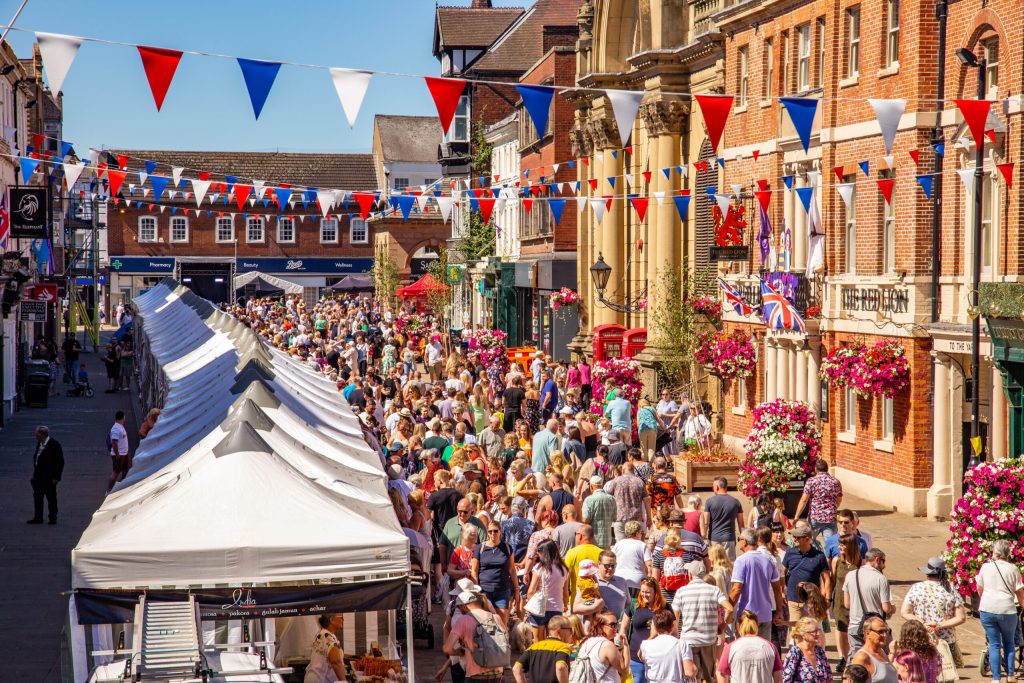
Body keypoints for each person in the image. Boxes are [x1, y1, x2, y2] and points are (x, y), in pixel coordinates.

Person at [672, 560, 732, 683]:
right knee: (708, 677)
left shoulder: (682, 591)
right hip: (708, 640)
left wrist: (675, 637)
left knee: (691, 676)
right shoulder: (714, 590)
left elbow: (675, 618)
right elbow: (730, 609)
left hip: (688, 641)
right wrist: (722, 626)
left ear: (690, 574)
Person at [900, 557, 965, 669]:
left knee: (921, 672)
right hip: (945, 640)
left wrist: (924, 624)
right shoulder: (951, 589)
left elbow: (905, 612)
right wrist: (938, 625)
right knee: (946, 674)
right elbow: (961, 618)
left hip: (921, 637)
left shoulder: (916, 588)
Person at [976, 539, 1024, 683]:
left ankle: (996, 678)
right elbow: (1019, 591)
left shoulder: (985, 567)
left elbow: (979, 588)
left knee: (994, 644)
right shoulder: (1013, 569)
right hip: (1007, 609)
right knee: (1009, 643)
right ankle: (1010, 675)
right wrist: (1022, 605)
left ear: (994, 552)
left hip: (988, 609)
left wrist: (985, 600)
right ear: (1008, 553)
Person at [730, 528, 785, 641]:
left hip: (747, 616)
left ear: (744, 541)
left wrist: (728, 608)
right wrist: (779, 611)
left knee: (746, 651)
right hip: (765, 614)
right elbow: (777, 588)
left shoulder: (741, 560)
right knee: (763, 649)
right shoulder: (769, 560)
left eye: (739, 539)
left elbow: (736, 589)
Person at [443, 591, 509, 681]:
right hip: (497, 674)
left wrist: (459, 652)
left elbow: (447, 648)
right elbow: (505, 640)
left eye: (459, 607)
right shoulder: (496, 617)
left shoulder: (464, 620)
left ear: (464, 606)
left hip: (476, 676)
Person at [844, 548, 895, 655]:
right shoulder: (880, 578)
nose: (884, 566)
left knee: (856, 661)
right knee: (882, 657)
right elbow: (886, 608)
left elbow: (847, 604)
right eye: (883, 561)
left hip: (855, 627)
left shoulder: (850, 575)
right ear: (877, 559)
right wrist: (892, 608)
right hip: (875, 629)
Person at [781, 526, 831, 629]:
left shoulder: (819, 556)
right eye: (794, 536)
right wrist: (782, 591)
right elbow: (782, 573)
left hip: (812, 601)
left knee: (812, 629)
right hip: (793, 599)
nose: (794, 539)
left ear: (807, 539)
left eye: (797, 537)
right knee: (796, 630)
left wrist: (827, 598)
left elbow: (826, 578)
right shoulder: (790, 553)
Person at [716, 610, 784, 683]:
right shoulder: (770, 647)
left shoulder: (730, 648)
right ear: (757, 625)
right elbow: (779, 679)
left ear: (738, 626)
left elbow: (722, 676)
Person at [471, 521, 518, 625]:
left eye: (495, 531)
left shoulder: (507, 548)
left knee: (502, 623)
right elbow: (474, 570)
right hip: (484, 591)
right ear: (487, 532)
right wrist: (476, 589)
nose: (493, 534)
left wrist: (516, 589)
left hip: (502, 590)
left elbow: (512, 570)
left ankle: (504, 641)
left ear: (500, 531)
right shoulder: (480, 548)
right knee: (486, 623)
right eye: (490, 531)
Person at [525, 539, 570, 641]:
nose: (537, 553)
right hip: (557, 607)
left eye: (539, 550)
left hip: (540, 608)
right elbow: (565, 592)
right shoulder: (564, 569)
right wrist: (565, 605)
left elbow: (531, 590)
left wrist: (530, 604)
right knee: (555, 639)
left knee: (538, 639)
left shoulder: (539, 568)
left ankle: (540, 656)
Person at [638, 609, 698, 682]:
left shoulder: (645, 645)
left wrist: (651, 636)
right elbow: (690, 672)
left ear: (654, 626)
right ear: (673, 626)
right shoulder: (681, 644)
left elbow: (640, 656)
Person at [832, 534, 862, 673]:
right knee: (842, 631)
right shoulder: (837, 561)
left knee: (855, 632)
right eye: (839, 544)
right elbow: (833, 581)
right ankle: (844, 658)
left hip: (855, 602)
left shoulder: (860, 564)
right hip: (839, 602)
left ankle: (855, 660)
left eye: (843, 545)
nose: (840, 547)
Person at [793, 460, 843, 543]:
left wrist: (796, 516)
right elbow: (839, 499)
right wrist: (833, 509)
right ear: (827, 469)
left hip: (814, 518)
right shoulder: (835, 482)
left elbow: (804, 500)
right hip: (830, 518)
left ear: (816, 469)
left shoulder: (811, 481)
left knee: (808, 542)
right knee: (830, 544)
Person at [512, 614, 572, 683]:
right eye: (570, 629)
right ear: (558, 631)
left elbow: (516, 669)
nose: (571, 633)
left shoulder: (533, 647)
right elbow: (561, 667)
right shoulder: (562, 647)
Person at [626, 577, 664, 683]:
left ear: (655, 592)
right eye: (642, 591)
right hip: (635, 659)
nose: (644, 595)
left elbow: (673, 632)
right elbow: (623, 629)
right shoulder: (634, 605)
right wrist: (622, 649)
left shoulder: (665, 608)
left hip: (658, 659)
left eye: (648, 592)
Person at [578, 610, 629, 683]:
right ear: (600, 626)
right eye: (612, 625)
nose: (616, 628)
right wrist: (626, 646)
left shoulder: (587, 642)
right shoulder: (607, 645)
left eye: (617, 624)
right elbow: (624, 671)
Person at [606, 462, 650, 543]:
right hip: (636, 518)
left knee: (620, 543)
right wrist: (649, 518)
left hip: (620, 517)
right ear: (634, 471)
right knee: (635, 543)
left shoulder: (616, 481)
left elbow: (608, 497)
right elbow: (646, 500)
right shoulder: (639, 482)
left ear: (622, 470)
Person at [28, 426, 64, 525]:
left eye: (37, 434)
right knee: (37, 497)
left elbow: (59, 462)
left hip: (49, 477)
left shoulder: (54, 444)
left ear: (42, 434)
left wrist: (56, 477)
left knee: (51, 497)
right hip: (39, 476)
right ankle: (38, 517)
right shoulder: (40, 444)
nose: (36, 436)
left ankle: (53, 517)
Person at [704, 477, 744, 560]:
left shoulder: (709, 501)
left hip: (714, 537)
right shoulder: (736, 502)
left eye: (713, 486)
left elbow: (706, 522)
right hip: (729, 538)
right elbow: (741, 524)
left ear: (717, 487)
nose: (713, 488)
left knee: (716, 563)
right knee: (729, 564)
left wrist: (703, 535)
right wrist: (743, 538)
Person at [782, 617, 832, 683]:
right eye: (814, 631)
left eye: (818, 630)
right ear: (803, 635)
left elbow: (829, 676)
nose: (818, 634)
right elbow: (786, 679)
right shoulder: (795, 652)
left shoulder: (819, 650)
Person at [850, 616, 898, 683]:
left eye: (886, 631)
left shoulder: (881, 651)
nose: (885, 635)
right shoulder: (862, 657)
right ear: (867, 633)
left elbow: (884, 671)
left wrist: (892, 652)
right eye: (880, 632)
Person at [304, 613, 346, 683]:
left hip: (315, 678)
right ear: (331, 620)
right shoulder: (327, 637)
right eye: (341, 617)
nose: (343, 620)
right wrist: (344, 681)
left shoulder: (322, 633)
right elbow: (336, 662)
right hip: (321, 679)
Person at [612, 520, 652, 591]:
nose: (641, 534)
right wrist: (650, 578)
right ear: (637, 533)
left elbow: (611, 559)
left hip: (619, 580)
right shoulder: (642, 545)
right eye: (640, 532)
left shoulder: (618, 544)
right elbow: (649, 565)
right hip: (637, 581)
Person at [582, 475, 618, 550]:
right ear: (602, 485)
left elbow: (585, 520)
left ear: (591, 486)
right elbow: (614, 518)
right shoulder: (611, 499)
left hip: (593, 540)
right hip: (607, 539)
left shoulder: (589, 500)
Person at [108, 410, 131, 492]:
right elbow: (114, 443)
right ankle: (109, 490)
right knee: (115, 472)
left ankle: (122, 485)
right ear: (123, 417)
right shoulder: (116, 429)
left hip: (124, 454)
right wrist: (117, 454)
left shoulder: (120, 426)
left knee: (125, 469)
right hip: (119, 455)